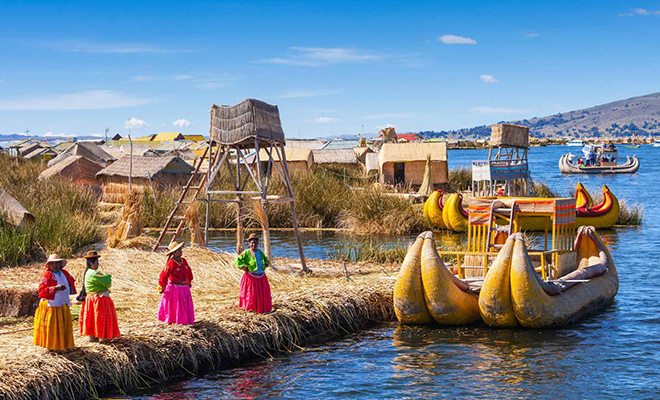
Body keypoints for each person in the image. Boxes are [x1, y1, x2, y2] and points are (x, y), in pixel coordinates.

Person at [34, 254, 76, 351]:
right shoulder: (47, 275)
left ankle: (63, 345)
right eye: (53, 263)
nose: (55, 265)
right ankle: (52, 347)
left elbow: (71, 283)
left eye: (57, 263)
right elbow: (41, 291)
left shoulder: (64, 273)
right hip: (51, 305)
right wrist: (55, 288)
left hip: (62, 303)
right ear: (49, 265)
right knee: (52, 327)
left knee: (63, 326)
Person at [79, 251, 120, 341]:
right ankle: (102, 337)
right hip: (97, 300)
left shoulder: (89, 272)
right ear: (91, 263)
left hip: (92, 298)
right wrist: (107, 276)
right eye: (97, 262)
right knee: (99, 319)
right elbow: (108, 282)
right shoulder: (93, 274)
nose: (98, 264)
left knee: (93, 319)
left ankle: (94, 337)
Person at [158, 242, 195, 325]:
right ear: (174, 253)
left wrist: (189, 281)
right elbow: (164, 275)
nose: (181, 251)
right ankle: (172, 320)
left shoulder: (183, 261)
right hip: (175, 288)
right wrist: (162, 286)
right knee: (175, 305)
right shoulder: (171, 263)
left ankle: (185, 321)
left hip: (184, 287)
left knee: (184, 305)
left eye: (180, 249)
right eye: (178, 250)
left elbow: (189, 271)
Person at [236, 233, 272, 313]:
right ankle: (251, 308)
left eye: (255, 243)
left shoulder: (260, 252)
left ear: (258, 244)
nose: (254, 244)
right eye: (252, 243)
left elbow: (266, 260)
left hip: (261, 276)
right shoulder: (246, 253)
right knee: (251, 293)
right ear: (249, 244)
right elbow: (238, 261)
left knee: (262, 294)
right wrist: (244, 267)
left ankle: (261, 308)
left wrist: (265, 265)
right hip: (251, 277)